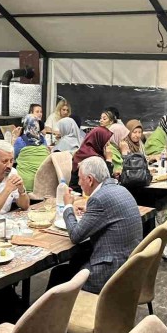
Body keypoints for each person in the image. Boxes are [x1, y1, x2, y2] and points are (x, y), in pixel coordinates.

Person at [49, 157, 142, 293]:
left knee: (58, 274)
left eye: (80, 178)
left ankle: (53, 307)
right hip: (130, 266)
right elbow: (108, 212)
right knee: (76, 260)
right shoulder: (120, 189)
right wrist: (90, 211)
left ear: (90, 180)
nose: (78, 183)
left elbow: (75, 235)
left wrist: (68, 206)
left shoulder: (98, 199)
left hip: (110, 274)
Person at [70, 126, 114, 191]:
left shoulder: (84, 150)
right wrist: (109, 160)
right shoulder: (93, 158)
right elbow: (105, 182)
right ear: (99, 140)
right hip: (82, 192)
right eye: (107, 141)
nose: (108, 145)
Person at [14, 115, 50, 192]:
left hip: (24, 185)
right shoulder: (43, 140)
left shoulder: (20, 141)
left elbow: (12, 156)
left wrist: (15, 137)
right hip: (42, 184)